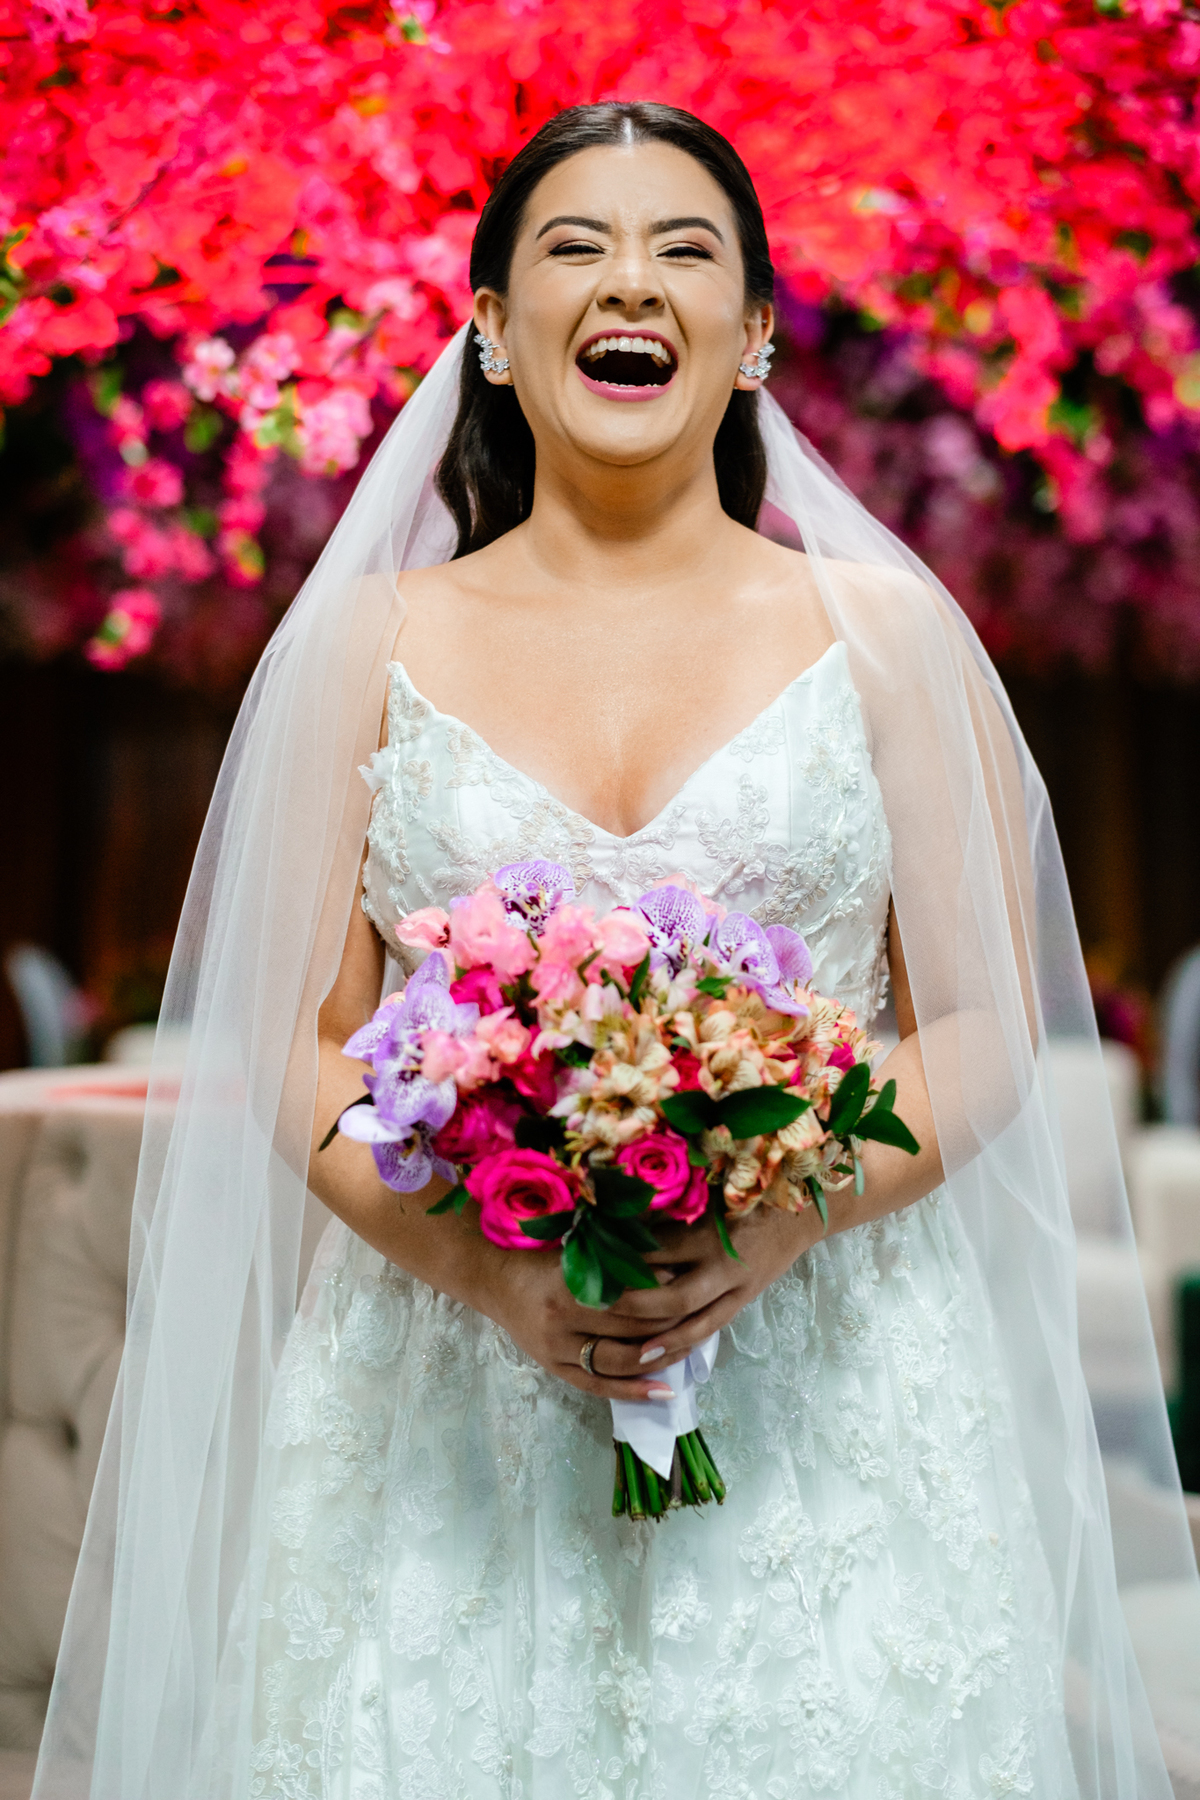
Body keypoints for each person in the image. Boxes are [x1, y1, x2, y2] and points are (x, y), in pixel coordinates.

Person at [33, 103, 1195, 1800]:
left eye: (683, 250)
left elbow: (982, 1024)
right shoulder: (369, 638)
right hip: (445, 1404)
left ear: (756, 335)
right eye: (572, 248)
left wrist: (785, 1215)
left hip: (828, 1389)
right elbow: (287, 1036)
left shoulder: (884, 637)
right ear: (493, 330)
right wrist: (486, 1270)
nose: (626, 282)